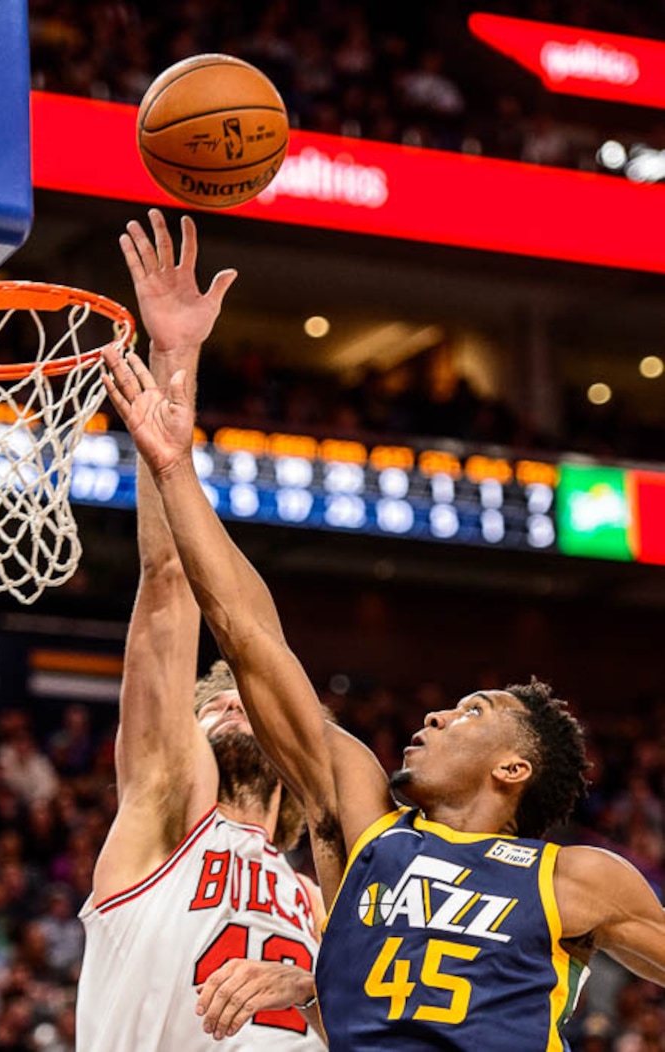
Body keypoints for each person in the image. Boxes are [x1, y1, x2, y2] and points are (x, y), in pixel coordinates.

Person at [102, 210, 665, 1051]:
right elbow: (251, 637)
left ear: (515, 767)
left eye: (471, 711)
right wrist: (177, 468)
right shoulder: (361, 817)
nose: (436, 716)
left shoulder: (579, 879)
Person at [77, 209, 326, 1050]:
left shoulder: (325, 892)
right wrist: (175, 359)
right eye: (213, 703)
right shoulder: (167, 803)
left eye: (238, 701)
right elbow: (171, 582)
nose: (231, 707)